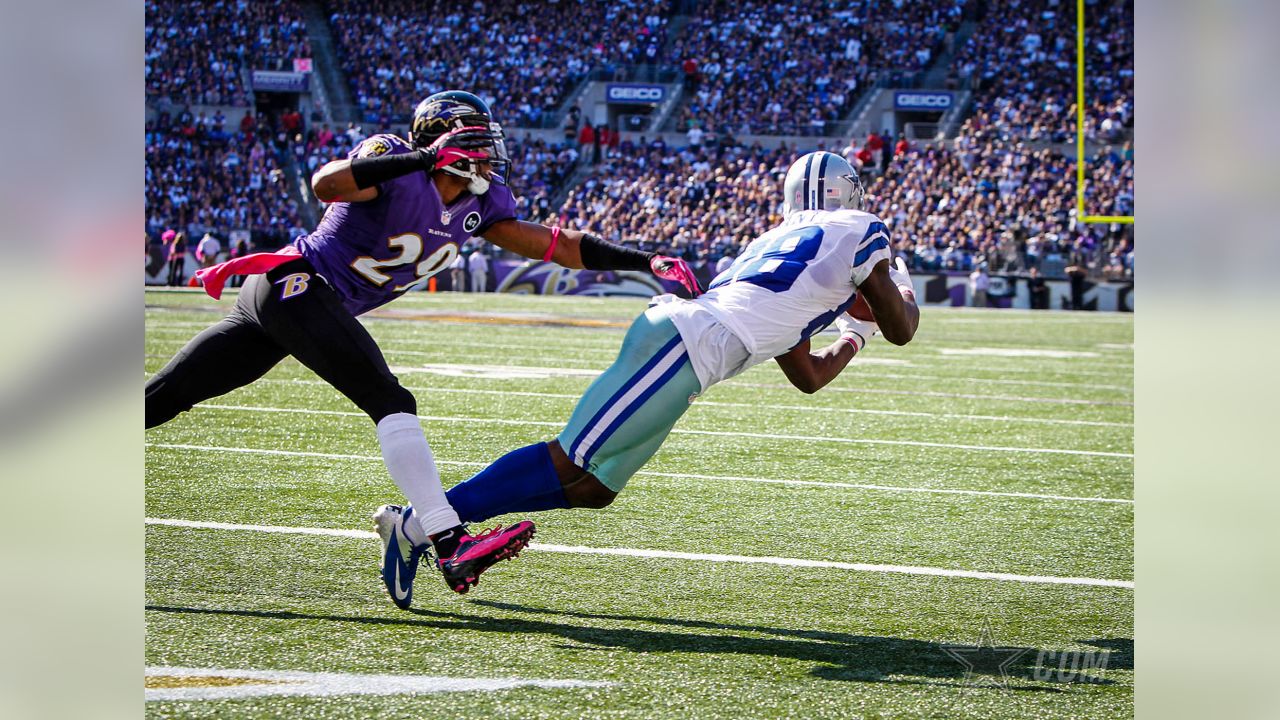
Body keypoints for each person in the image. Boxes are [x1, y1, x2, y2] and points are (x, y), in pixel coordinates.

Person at [145, 91, 701, 606]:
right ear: (441, 141)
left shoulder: (478, 207)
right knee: (390, 398)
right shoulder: (392, 162)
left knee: (166, 396)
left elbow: (557, 245)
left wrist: (643, 260)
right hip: (294, 284)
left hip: (303, 307)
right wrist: (420, 160)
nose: (488, 159)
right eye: (476, 145)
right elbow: (328, 184)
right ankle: (448, 539)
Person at [382, 152, 919, 597]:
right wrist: (901, 299)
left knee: (595, 487)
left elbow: (806, 375)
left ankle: (426, 523)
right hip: (685, 342)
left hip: (690, 350)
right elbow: (902, 328)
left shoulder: (768, 249)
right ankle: (417, 525)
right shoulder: (860, 229)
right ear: (850, 194)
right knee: (571, 456)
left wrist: (853, 335)